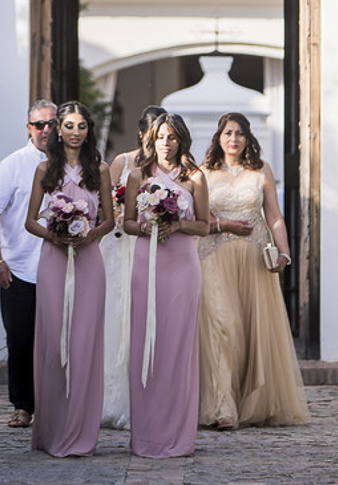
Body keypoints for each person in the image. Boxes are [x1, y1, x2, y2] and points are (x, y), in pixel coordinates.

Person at [197, 111, 309, 429]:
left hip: (253, 261)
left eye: (240, 133)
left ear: (248, 138)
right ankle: (223, 407)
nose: (233, 139)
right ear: (218, 138)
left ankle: (251, 402)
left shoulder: (261, 171)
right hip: (213, 258)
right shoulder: (204, 173)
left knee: (249, 332)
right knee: (223, 328)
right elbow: (198, 221)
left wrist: (284, 253)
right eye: (228, 133)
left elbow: (274, 216)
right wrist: (224, 225)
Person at [24, 101, 114, 456]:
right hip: (54, 260)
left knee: (83, 346)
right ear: (57, 130)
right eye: (69, 126)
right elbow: (30, 220)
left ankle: (80, 434)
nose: (75, 132)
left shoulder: (101, 169)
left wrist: (92, 235)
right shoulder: (44, 169)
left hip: (89, 260)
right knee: (52, 344)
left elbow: (109, 218)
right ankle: (51, 431)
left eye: (81, 126)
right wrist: (54, 235)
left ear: (88, 130)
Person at [124, 111, 209, 458]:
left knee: (178, 348)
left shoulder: (195, 178)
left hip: (182, 267)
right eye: (161, 136)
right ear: (151, 139)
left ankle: (178, 434)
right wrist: (148, 227)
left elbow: (204, 225)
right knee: (147, 343)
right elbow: (127, 222)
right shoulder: (137, 176)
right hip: (147, 264)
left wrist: (177, 225)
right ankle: (146, 434)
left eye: (172, 137)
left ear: (181, 140)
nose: (166, 143)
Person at [0, 99, 57, 428]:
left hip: (61, 269)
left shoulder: (71, 166)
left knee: (58, 342)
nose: (46, 130)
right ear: (29, 128)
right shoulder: (13, 165)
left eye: (52, 124)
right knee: (20, 341)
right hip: (20, 268)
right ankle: (22, 406)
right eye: (39, 124)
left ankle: (56, 408)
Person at [99, 104, 166, 429]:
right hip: (119, 247)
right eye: (151, 135)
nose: (156, 142)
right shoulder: (122, 162)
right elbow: (103, 206)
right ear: (141, 134)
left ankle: (148, 400)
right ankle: (113, 399)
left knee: (149, 318)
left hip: (153, 247)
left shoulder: (168, 169)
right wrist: (119, 202)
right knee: (117, 316)